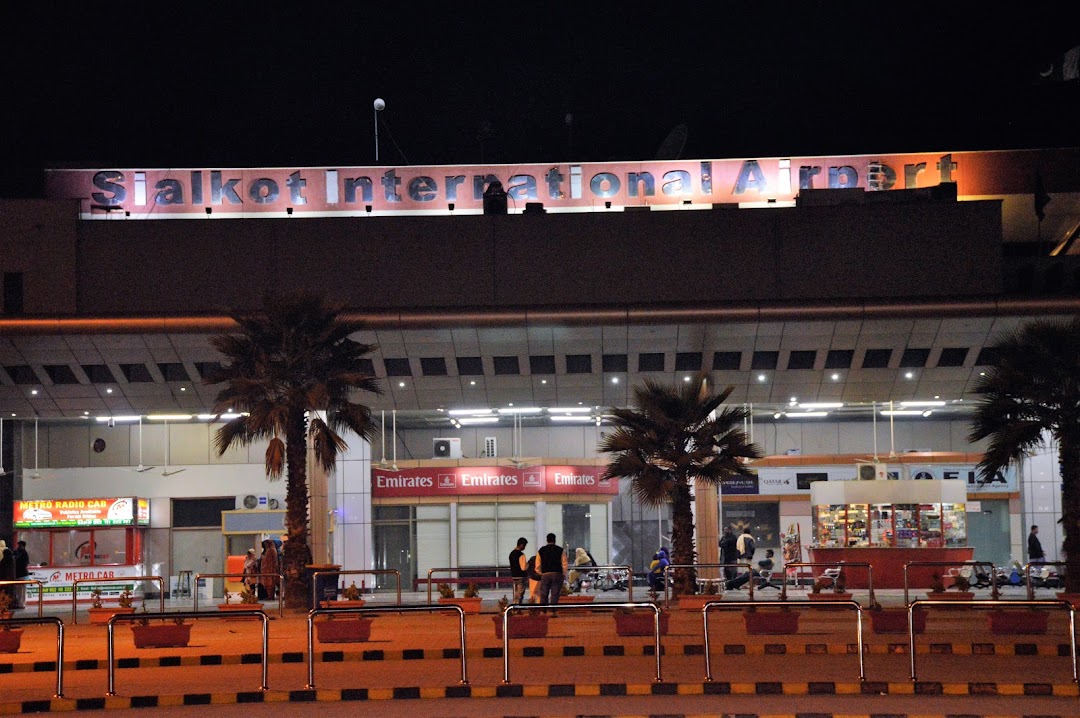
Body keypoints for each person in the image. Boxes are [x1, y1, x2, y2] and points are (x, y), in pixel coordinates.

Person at [536, 533, 567, 605]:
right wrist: (564, 574)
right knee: (555, 594)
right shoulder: (560, 550)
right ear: (555, 540)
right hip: (557, 574)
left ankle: (543, 609)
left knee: (544, 593)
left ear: (547, 540)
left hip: (545, 574)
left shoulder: (541, 550)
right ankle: (553, 610)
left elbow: (538, 564)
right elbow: (564, 563)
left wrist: (540, 573)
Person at [509, 537, 529, 604]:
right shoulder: (521, 555)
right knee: (520, 593)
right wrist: (528, 565)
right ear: (522, 545)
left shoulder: (511, 554)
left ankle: (515, 606)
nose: (525, 547)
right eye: (525, 545)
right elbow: (523, 568)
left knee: (516, 592)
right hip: (521, 576)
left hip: (514, 576)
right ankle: (517, 607)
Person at [13, 540, 30, 609]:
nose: (18, 547)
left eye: (19, 545)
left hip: (22, 575)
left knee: (21, 591)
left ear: (22, 546)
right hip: (20, 574)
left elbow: (23, 564)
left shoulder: (23, 554)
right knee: (19, 591)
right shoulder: (20, 553)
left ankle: (21, 604)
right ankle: (20, 604)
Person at [0, 541, 13, 606]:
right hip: (10, 579)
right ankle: (8, 603)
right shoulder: (12, 560)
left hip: (3, 578)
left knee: (3, 591)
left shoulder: (3, 561)